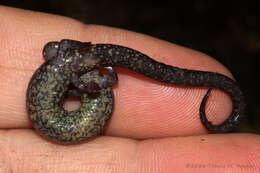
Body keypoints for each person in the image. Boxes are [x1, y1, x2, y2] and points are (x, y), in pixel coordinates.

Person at [0, 5, 259, 172]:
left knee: (139, 68)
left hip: (72, 100)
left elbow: (54, 52)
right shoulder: (75, 72)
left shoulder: (68, 69)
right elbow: (57, 52)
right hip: (78, 109)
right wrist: (95, 80)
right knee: (131, 71)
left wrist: (88, 80)